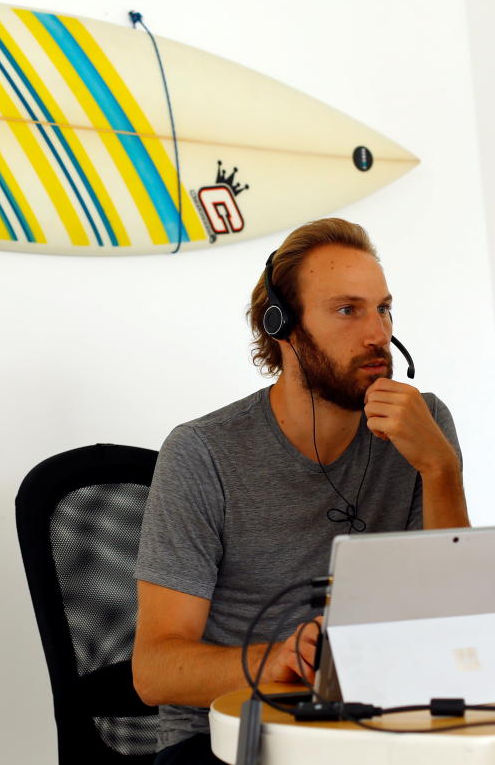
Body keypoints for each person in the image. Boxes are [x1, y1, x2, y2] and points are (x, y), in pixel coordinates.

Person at [131, 218, 469, 764]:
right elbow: (153, 672)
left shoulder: (422, 426)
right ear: (282, 326)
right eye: (347, 310)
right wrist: (283, 659)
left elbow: (454, 618)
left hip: (371, 723)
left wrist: (440, 469)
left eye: (383, 309)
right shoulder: (203, 453)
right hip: (231, 739)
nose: (377, 333)